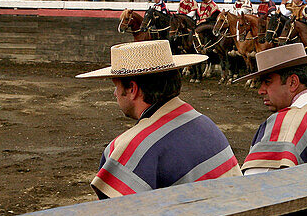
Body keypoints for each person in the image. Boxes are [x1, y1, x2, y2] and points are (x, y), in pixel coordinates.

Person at [77, 40, 239, 197]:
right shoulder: (204, 123)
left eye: (116, 86)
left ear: (132, 89)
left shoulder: (129, 147)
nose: (115, 93)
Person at [239, 43, 307, 173]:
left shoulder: (284, 124)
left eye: (267, 82)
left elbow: (253, 184)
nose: (261, 91)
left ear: (292, 83)